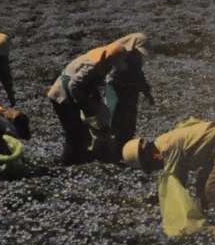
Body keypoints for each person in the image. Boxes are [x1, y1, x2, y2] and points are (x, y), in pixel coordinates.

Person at [47, 33, 152, 164]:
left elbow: (90, 84)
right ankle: (66, 162)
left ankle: (83, 156)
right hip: (62, 97)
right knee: (73, 131)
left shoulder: (106, 63)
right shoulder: (95, 64)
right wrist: (87, 106)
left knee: (82, 129)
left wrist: (96, 102)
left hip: (74, 96)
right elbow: (73, 85)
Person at [121, 119, 215, 214]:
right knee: (201, 186)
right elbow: (180, 172)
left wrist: (165, 205)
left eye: (150, 167)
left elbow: (175, 183)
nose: (155, 169)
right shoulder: (160, 145)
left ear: (147, 157)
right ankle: (211, 216)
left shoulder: (167, 148)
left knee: (213, 190)